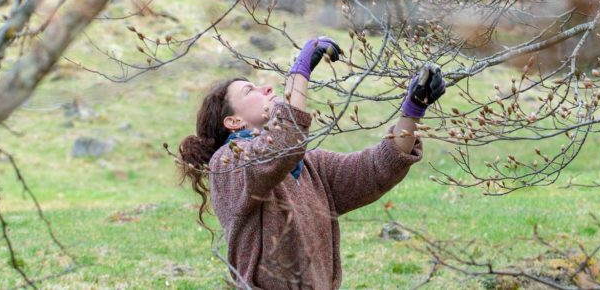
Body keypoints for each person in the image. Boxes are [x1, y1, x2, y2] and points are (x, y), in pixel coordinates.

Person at [178, 37, 447, 289]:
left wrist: (413, 110)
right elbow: (281, 145)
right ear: (234, 122)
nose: (267, 89)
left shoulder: (310, 165)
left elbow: (377, 169)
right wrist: (300, 72)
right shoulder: (229, 163)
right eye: (251, 90)